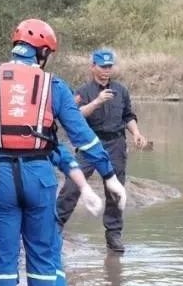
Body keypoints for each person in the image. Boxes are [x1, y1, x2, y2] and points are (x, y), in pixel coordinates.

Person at [0, 19, 127, 286]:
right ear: (42, 52)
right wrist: (109, 176)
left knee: (4, 259)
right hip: (40, 176)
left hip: (0, 179)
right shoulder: (54, 86)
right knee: (42, 255)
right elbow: (82, 135)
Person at [56, 48, 148, 253]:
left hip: (115, 144)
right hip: (89, 144)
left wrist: (136, 133)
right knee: (72, 185)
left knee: (115, 191)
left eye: (109, 66)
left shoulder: (121, 90)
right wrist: (97, 101)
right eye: (102, 66)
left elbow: (128, 116)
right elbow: (75, 116)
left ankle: (113, 235)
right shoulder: (82, 91)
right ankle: (56, 226)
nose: (106, 71)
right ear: (93, 67)